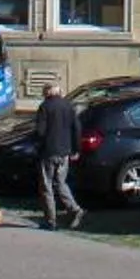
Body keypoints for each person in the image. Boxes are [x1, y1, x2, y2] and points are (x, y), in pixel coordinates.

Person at [35, 89, 83, 229]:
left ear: (47, 93)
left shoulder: (45, 107)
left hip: (49, 152)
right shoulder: (68, 106)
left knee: (46, 186)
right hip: (64, 152)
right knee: (61, 183)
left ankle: (51, 220)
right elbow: (77, 128)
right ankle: (75, 209)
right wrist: (76, 149)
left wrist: (38, 146)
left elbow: (40, 131)